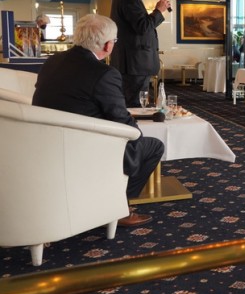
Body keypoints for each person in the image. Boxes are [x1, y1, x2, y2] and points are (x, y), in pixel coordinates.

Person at [32, 14, 163, 227]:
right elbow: (121, 119)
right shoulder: (104, 73)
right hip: (85, 147)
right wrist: (136, 133)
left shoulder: (53, 61)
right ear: (108, 45)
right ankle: (116, 208)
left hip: (44, 141)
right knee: (152, 146)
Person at [109, 0, 171, 107]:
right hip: (134, 64)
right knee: (135, 106)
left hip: (133, 63)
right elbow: (142, 27)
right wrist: (158, 11)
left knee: (133, 104)